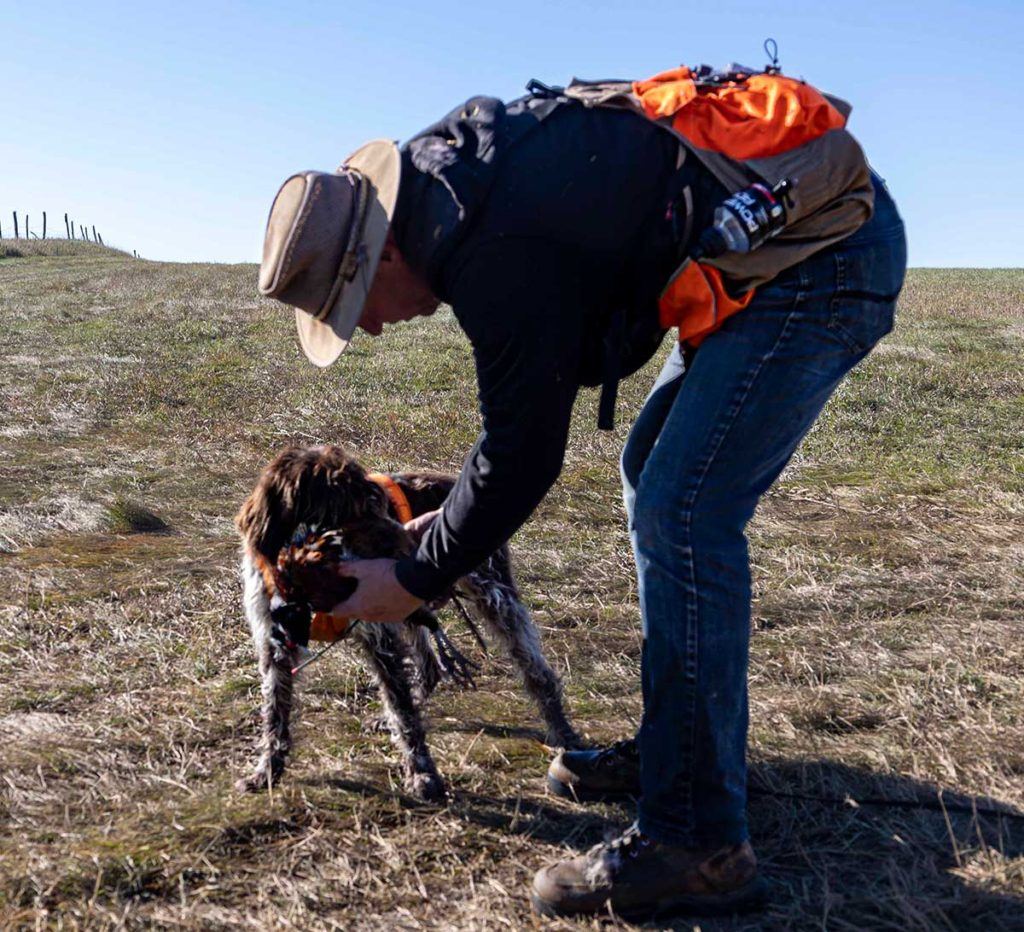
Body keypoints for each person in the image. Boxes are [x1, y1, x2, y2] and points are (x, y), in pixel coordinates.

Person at [257, 63, 907, 920]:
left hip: (817, 259)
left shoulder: (490, 245)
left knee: (684, 511)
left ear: (382, 255)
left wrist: (414, 578)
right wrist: (425, 547)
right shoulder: (451, 186)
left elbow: (523, 453)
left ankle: (698, 838)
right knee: (656, 484)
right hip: (758, 267)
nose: (367, 329)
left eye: (353, 308)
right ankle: (686, 754)